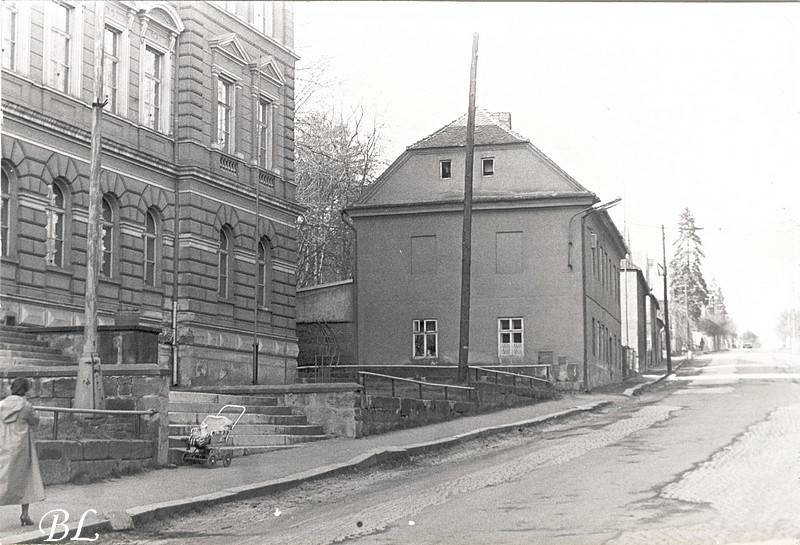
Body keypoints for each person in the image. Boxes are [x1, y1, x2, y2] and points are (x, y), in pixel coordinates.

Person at [0, 378, 45, 526]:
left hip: (2, 444)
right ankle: (25, 514)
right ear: (25, 390)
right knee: (25, 479)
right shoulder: (26, 406)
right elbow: (35, 421)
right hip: (21, 447)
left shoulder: (1, 405)